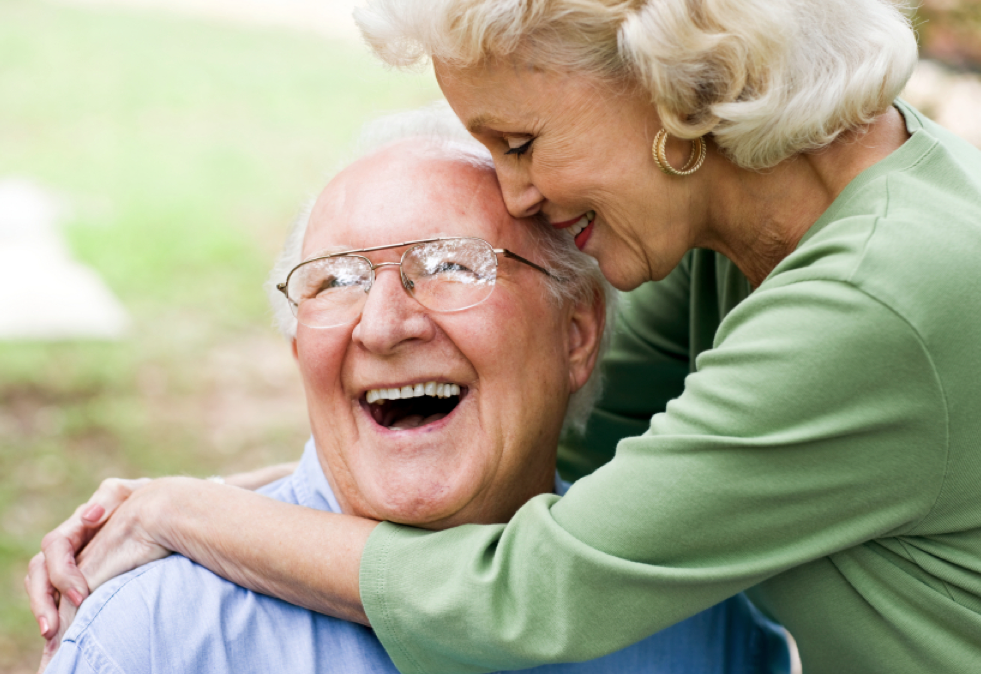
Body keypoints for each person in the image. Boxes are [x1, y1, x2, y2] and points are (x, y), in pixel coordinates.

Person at [27, 0, 981, 672]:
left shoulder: (880, 297)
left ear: (676, 91)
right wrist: (249, 497)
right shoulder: (728, 230)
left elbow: (533, 594)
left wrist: (187, 515)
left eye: (518, 144)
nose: (519, 199)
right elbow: (526, 426)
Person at [38, 118, 790, 674]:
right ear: (300, 348)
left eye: (452, 266)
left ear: (576, 333)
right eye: (336, 280)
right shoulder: (157, 633)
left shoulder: (693, 621)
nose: (383, 325)